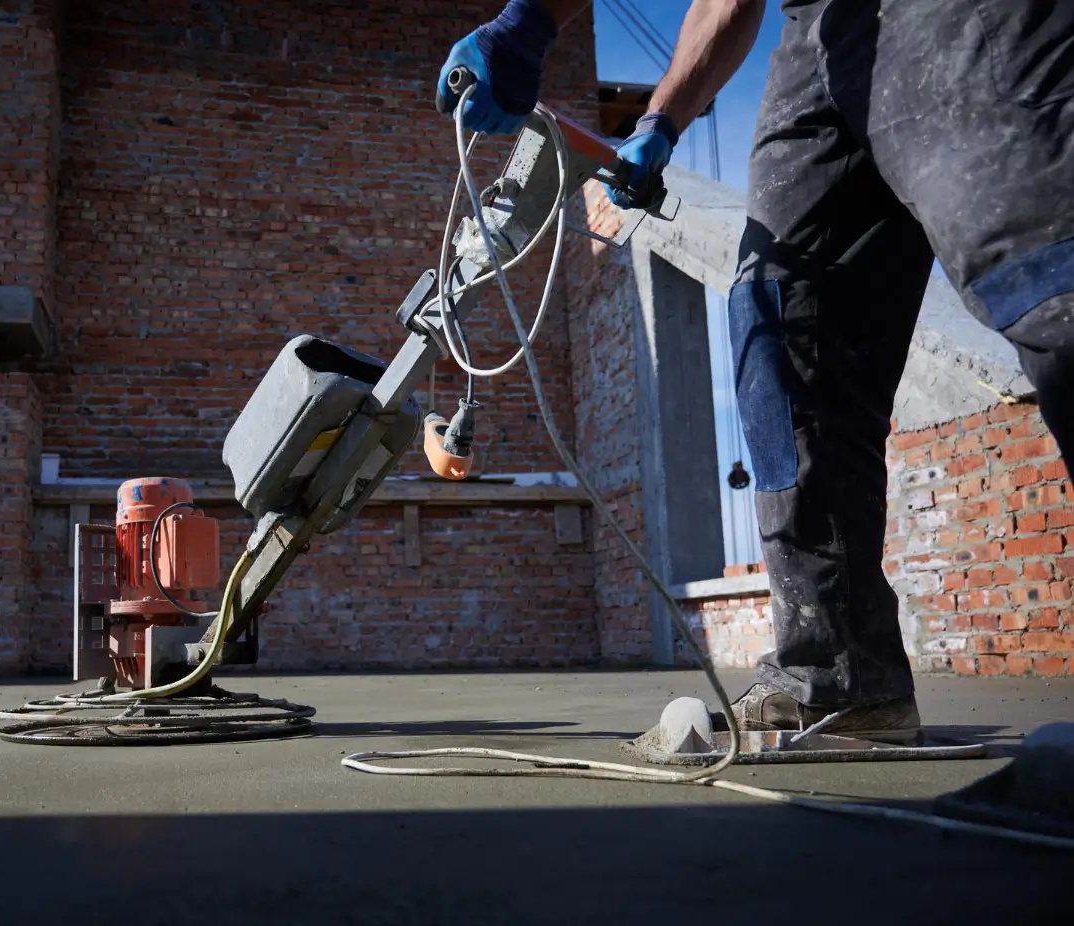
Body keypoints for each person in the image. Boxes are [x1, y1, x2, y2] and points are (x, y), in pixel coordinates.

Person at [438, 0, 1074, 742]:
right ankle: (840, 678)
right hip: (820, 38)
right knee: (781, 331)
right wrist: (659, 121)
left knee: (1046, 273)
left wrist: (528, 19)